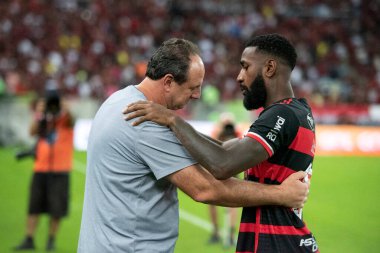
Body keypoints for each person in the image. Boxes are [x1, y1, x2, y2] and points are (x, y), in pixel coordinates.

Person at [78, 38, 309, 253]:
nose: (198, 95)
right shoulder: (144, 121)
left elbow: (218, 154)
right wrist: (281, 194)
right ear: (168, 82)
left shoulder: (119, 100)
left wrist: (175, 122)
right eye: (192, 87)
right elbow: (206, 188)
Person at [14, 90, 74, 251]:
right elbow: (32, 132)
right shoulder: (43, 120)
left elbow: (72, 120)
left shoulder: (65, 119)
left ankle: (51, 241)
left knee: (56, 209)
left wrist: (63, 108)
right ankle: (29, 239)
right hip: (41, 168)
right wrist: (39, 113)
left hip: (60, 170)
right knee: (34, 206)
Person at [207, 113, 240, 247]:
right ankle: (217, 232)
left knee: (231, 204)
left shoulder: (235, 132)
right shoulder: (219, 132)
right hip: (221, 170)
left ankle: (229, 234)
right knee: (213, 202)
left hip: (228, 170)